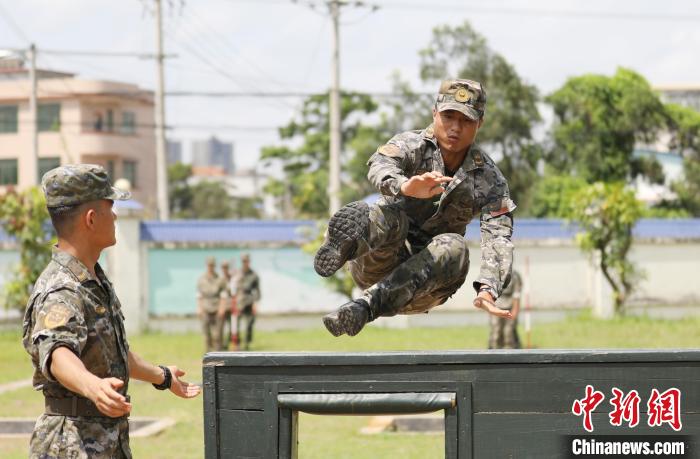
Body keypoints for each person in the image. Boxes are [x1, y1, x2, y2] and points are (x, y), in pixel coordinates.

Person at [22, 164, 201, 459]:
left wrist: (163, 376)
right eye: (111, 207)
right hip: (71, 445)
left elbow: (111, 354)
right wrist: (93, 387)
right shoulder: (62, 288)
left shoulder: (93, 280)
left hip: (103, 440)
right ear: (91, 219)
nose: (116, 215)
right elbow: (57, 353)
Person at [314, 78, 516, 336]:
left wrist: (489, 288)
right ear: (434, 113)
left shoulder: (490, 179)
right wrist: (405, 186)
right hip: (379, 262)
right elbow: (381, 164)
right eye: (448, 117)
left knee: (454, 246)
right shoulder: (411, 145)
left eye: (466, 120)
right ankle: (344, 245)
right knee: (388, 213)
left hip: (426, 285)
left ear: (480, 123)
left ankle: (364, 308)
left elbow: (498, 237)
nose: (455, 127)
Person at [197, 256, 228, 352]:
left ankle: (218, 354)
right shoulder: (201, 279)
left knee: (218, 335)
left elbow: (224, 295)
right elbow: (199, 295)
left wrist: (222, 308)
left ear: (215, 266)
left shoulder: (220, 279)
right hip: (206, 308)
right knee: (207, 335)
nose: (211, 267)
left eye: (212, 265)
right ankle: (208, 354)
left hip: (217, 308)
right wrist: (199, 308)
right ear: (207, 265)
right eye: (209, 265)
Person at [488, 270, 522, 349]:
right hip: (496, 307)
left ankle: (512, 355)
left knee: (508, 333)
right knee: (496, 332)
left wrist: (515, 310)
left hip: (509, 307)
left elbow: (516, 295)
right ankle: (493, 355)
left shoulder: (514, 276)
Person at [234, 253, 260, 350]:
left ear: (249, 262)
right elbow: (232, 286)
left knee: (249, 324)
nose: (245, 263)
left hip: (249, 301)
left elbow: (257, 291)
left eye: (246, 261)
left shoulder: (254, 275)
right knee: (236, 324)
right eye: (243, 261)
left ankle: (247, 343)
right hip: (239, 301)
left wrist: (255, 303)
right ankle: (237, 344)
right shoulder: (237, 273)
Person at [218, 260, 235, 350]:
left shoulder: (232, 278)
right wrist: (221, 307)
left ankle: (231, 344)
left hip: (231, 307)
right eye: (223, 267)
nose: (225, 269)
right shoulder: (219, 280)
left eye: (226, 267)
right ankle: (220, 346)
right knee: (221, 328)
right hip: (222, 307)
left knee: (232, 328)